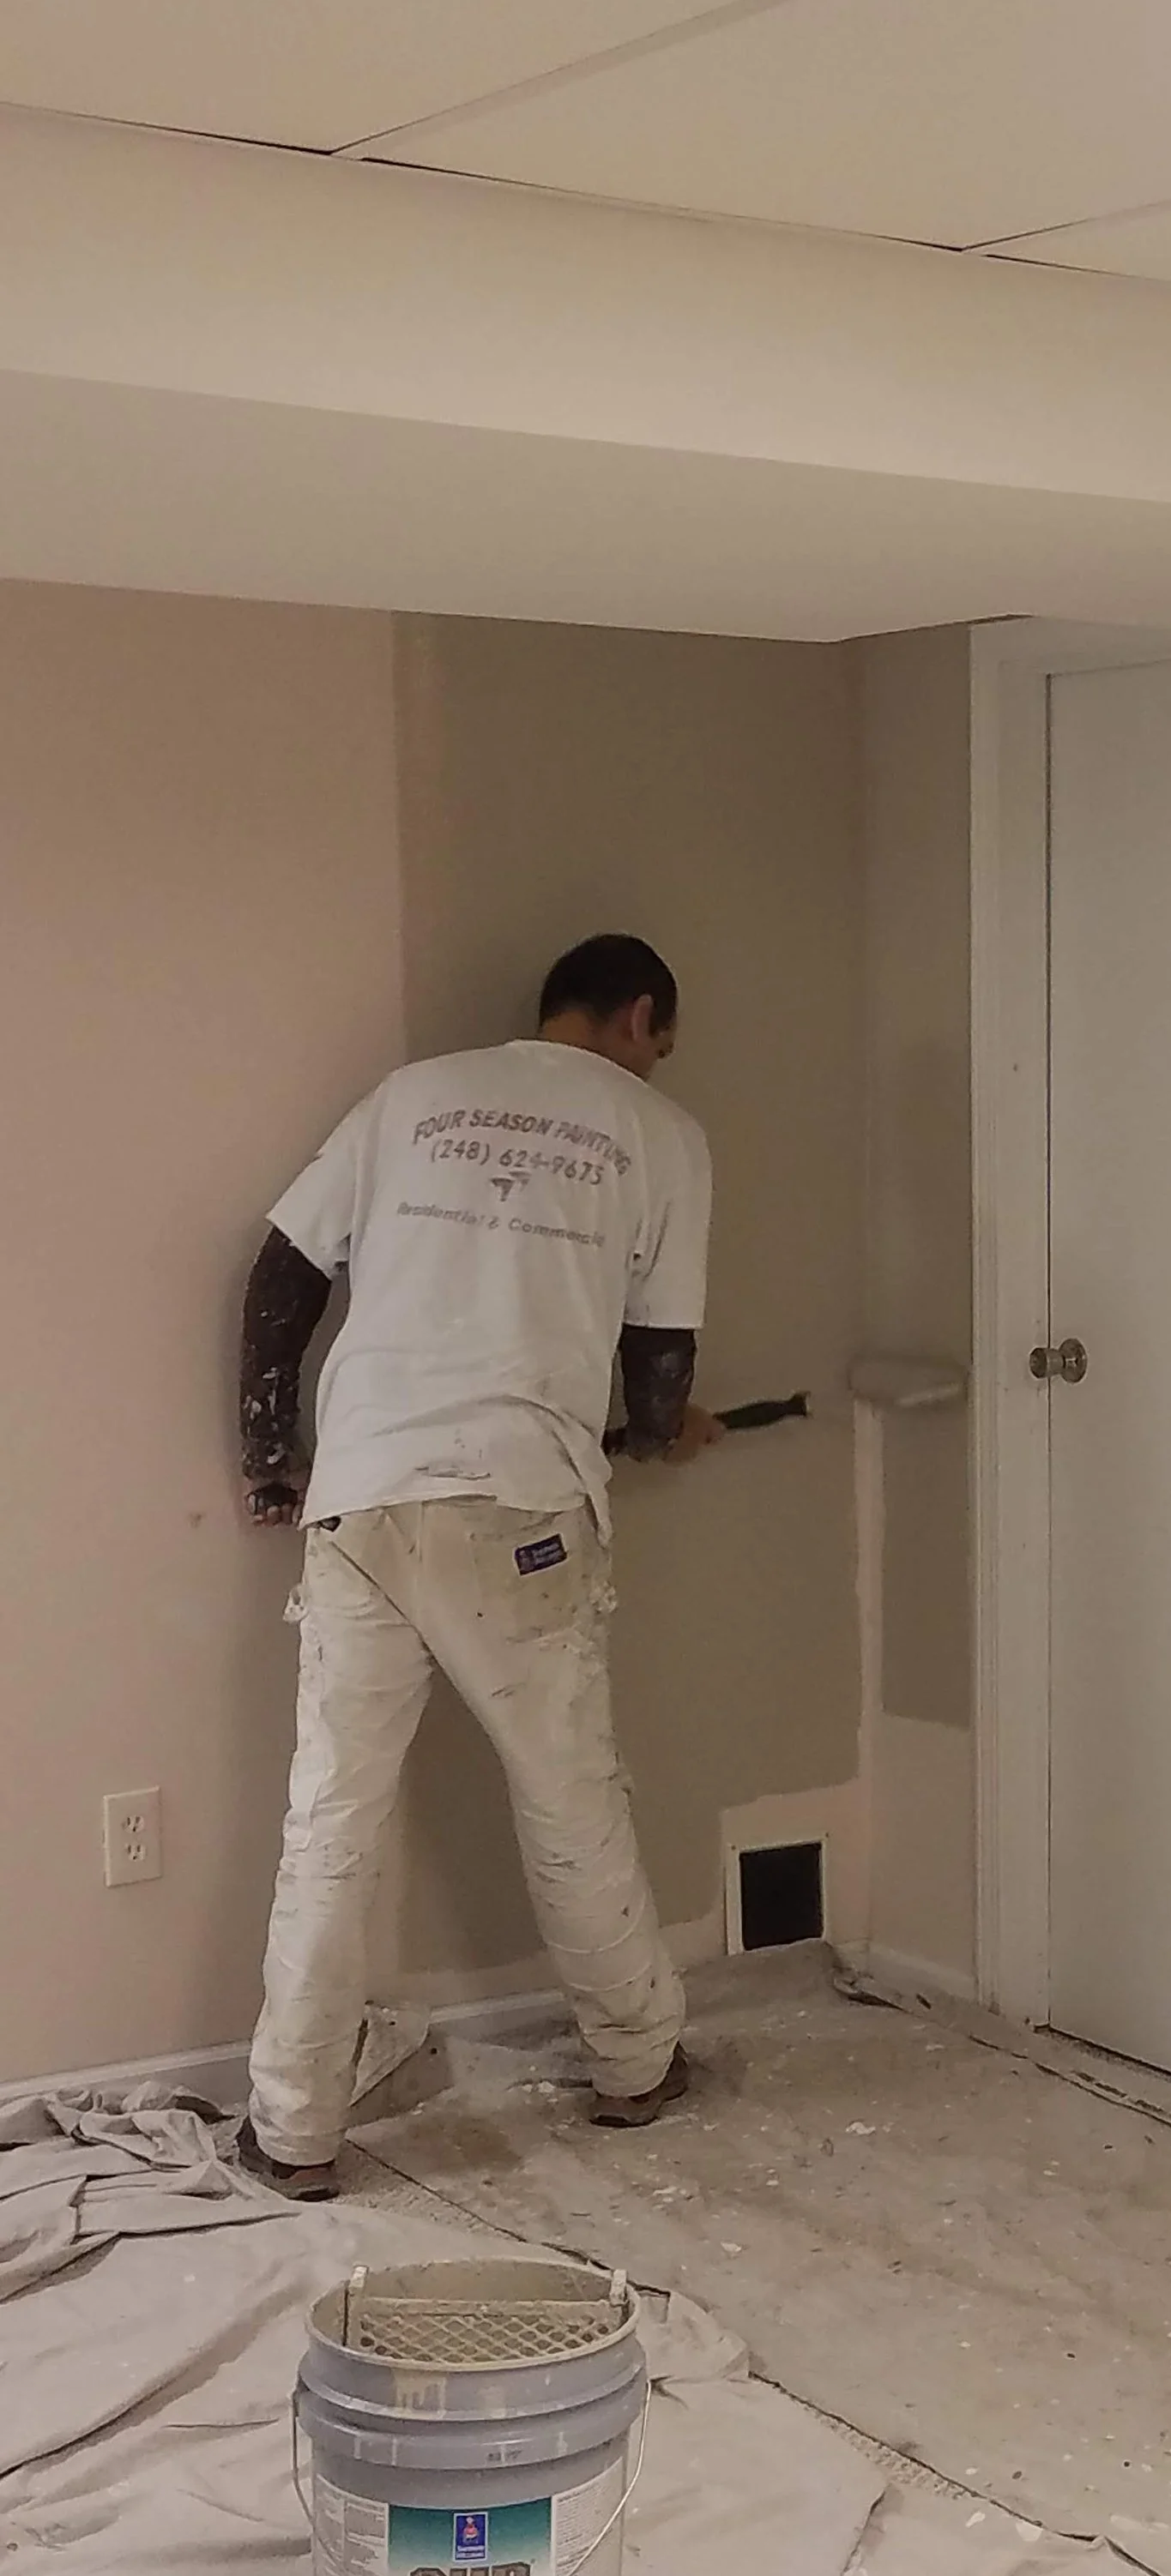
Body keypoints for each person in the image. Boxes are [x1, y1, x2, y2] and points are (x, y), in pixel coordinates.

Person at [232, 934, 722, 2200]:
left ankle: (290, 2130)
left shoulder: (413, 1096)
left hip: (364, 1495)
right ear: (639, 1014)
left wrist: (272, 1457)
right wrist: (668, 1433)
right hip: (521, 1509)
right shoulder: (659, 1134)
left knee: (329, 1821)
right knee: (569, 1798)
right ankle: (634, 2065)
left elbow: (283, 1272)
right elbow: (659, 1362)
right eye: (661, 1036)